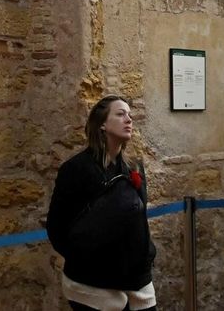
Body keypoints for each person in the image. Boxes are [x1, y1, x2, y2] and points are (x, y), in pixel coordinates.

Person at [46, 95, 157, 311]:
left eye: (130, 115)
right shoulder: (76, 169)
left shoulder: (134, 167)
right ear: (103, 124)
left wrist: (145, 255)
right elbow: (57, 227)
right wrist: (86, 262)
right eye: (120, 114)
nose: (128, 119)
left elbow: (139, 219)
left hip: (136, 280)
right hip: (94, 283)